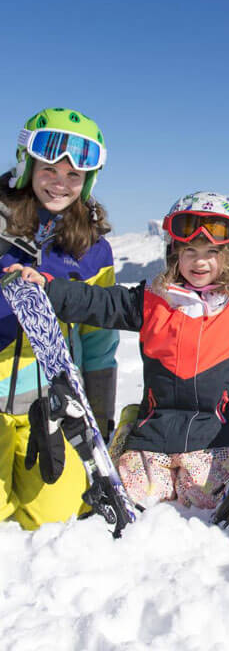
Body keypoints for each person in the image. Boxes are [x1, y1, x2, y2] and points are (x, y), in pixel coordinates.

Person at [8, 191, 229, 510]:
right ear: (175, 254)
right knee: (136, 493)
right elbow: (97, 302)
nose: (200, 260)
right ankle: (128, 426)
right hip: (155, 432)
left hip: (215, 434)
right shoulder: (152, 300)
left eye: (211, 251)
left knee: (213, 495)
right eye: (190, 250)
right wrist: (47, 287)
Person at [0, 108, 119, 529]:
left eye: (74, 175)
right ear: (27, 164)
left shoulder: (92, 250)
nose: (60, 183)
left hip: (47, 402)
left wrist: (99, 420)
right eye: (50, 168)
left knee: (58, 518)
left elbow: (99, 338)